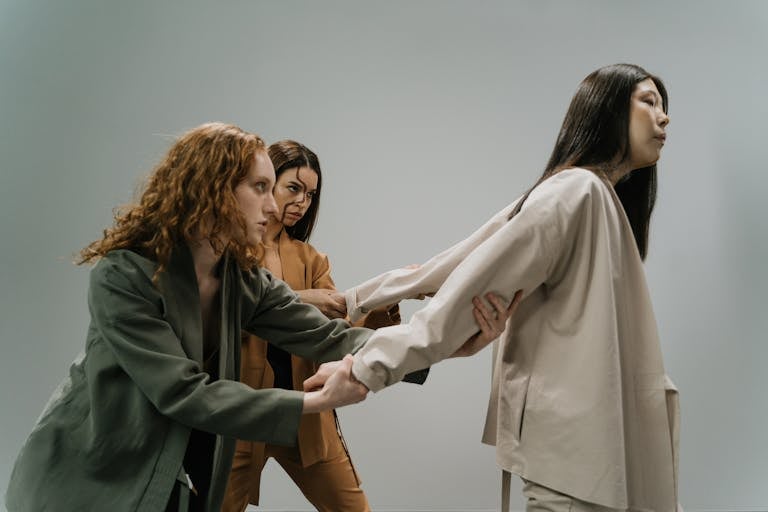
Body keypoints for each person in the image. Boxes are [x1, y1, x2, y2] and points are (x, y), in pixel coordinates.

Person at [4, 123, 511, 512]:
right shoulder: (123, 276)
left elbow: (329, 337)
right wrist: (316, 400)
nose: (276, 206)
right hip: (85, 480)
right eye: (261, 187)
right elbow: (184, 393)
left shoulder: (243, 280)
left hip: (175, 480)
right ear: (212, 189)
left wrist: (442, 345)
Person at [308, 63, 680, 511]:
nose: (664, 118)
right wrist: (365, 366)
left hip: (593, 447)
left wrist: (359, 301)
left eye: (664, 106)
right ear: (607, 108)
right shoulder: (575, 192)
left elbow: (459, 262)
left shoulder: (588, 195)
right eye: (649, 101)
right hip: (577, 456)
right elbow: (467, 285)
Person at [222, 140, 421, 511]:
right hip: (242, 415)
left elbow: (335, 332)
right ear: (265, 183)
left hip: (306, 415)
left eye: (311, 194)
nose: (302, 202)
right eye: (293, 188)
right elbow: (225, 317)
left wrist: (387, 297)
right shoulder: (228, 252)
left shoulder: (311, 258)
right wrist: (304, 298)